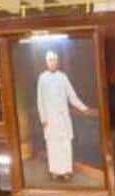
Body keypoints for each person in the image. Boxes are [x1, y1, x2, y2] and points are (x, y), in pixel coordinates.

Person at [35, 49, 94, 182]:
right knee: (53, 146)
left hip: (63, 119)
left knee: (65, 145)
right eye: (50, 60)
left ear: (57, 62)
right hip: (49, 119)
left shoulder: (63, 77)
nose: (52, 63)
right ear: (46, 62)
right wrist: (43, 118)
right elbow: (40, 100)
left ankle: (67, 171)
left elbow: (72, 96)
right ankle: (54, 172)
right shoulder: (42, 78)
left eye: (54, 60)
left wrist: (84, 108)